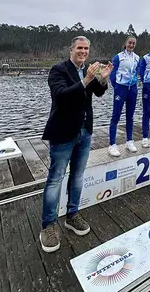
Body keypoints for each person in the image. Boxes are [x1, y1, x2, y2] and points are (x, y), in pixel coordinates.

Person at [40, 36, 112, 253]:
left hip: (84, 132)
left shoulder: (88, 70)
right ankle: (49, 225)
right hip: (63, 133)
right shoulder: (58, 70)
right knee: (55, 179)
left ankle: (72, 215)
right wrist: (85, 80)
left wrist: (103, 79)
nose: (83, 51)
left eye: (86, 48)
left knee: (78, 176)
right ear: (71, 49)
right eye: (79, 48)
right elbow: (60, 97)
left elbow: (98, 93)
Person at [108, 36, 140, 157]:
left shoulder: (137, 58)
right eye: (129, 43)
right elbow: (112, 72)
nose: (131, 45)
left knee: (130, 116)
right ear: (125, 43)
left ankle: (129, 141)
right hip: (120, 89)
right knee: (115, 116)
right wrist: (116, 86)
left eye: (133, 43)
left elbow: (137, 72)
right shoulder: (118, 57)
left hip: (132, 89)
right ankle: (112, 144)